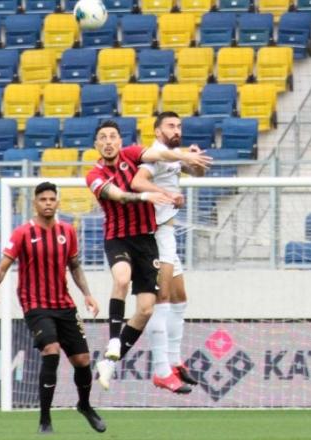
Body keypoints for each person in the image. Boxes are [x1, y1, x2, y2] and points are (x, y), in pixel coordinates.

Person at [84, 120, 212, 391]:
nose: (108, 142)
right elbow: (121, 191)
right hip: (121, 238)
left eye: (113, 137)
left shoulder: (134, 154)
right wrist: (152, 196)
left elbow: (167, 157)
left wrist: (188, 158)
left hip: (149, 239)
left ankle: (120, 362)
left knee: (158, 304)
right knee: (125, 279)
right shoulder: (94, 174)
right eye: (102, 138)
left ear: (121, 141)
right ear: (96, 145)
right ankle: (149, 362)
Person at [0, 182, 106, 434]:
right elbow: (3, 266)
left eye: (52, 199)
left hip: (64, 305)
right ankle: (45, 419)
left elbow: (75, 267)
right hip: (35, 305)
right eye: (43, 199)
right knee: (51, 350)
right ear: (35, 203)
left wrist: (87, 294)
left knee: (82, 360)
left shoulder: (67, 232)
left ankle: (84, 405)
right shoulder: (22, 233)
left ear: (57, 202)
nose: (48, 203)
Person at [131, 112, 205, 394]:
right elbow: (138, 182)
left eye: (179, 126)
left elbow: (197, 172)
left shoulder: (173, 156)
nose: (176, 130)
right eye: (170, 126)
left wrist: (193, 160)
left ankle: (174, 361)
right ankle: (161, 370)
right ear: (157, 130)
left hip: (167, 233)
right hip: (154, 235)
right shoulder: (155, 156)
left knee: (179, 297)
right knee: (161, 299)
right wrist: (165, 193)